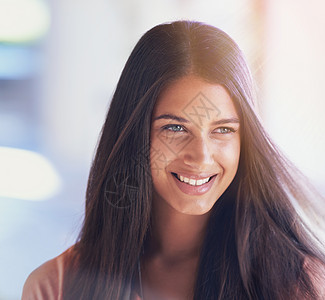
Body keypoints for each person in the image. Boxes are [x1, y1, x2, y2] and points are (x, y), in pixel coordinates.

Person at [22, 20, 325, 300]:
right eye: (175, 128)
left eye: (223, 130)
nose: (202, 155)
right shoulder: (55, 287)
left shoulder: (299, 283)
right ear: (134, 136)